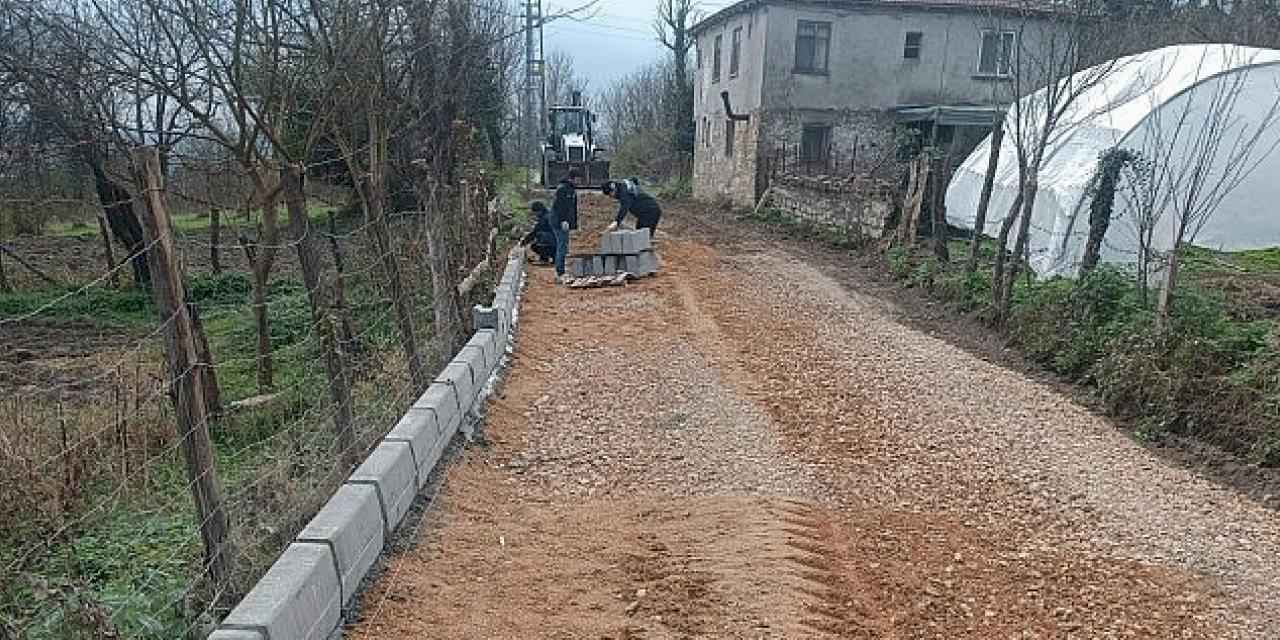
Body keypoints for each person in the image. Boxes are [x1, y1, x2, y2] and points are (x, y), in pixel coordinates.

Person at [551, 168, 581, 283]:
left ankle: (562, 270)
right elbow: (559, 207)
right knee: (562, 246)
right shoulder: (562, 189)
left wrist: (573, 224)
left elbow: (572, 209)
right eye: (578, 179)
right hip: (558, 222)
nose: (579, 182)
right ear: (572, 178)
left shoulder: (571, 189)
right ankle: (560, 273)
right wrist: (562, 220)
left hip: (565, 222)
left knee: (564, 246)